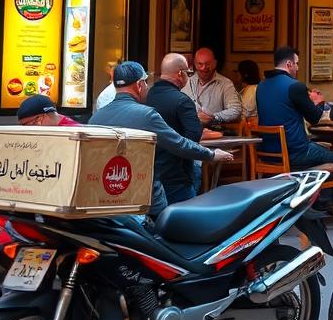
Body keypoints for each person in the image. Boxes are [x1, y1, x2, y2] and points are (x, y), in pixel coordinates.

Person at [90, 61, 230, 217]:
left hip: (108, 195)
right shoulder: (146, 115)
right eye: (145, 82)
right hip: (144, 193)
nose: (147, 87)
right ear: (139, 85)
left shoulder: (96, 118)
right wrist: (211, 154)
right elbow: (178, 143)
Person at [255, 45, 333, 169]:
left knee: (324, 150)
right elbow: (315, 119)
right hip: (296, 154)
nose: (297, 67)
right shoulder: (294, 86)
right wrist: (319, 102)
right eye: (296, 63)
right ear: (289, 64)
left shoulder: (261, 86)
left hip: (267, 153)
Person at [146, 53, 208, 204]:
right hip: (176, 175)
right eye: (188, 73)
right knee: (186, 219)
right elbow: (193, 137)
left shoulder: (146, 96)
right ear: (180, 74)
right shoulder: (182, 101)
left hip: (147, 172)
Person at [187, 47, 241, 127]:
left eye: (207, 64)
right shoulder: (186, 82)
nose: (203, 68)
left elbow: (235, 110)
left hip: (215, 133)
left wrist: (213, 117)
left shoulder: (225, 84)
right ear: (195, 64)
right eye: (200, 64)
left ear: (215, 63)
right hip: (189, 133)